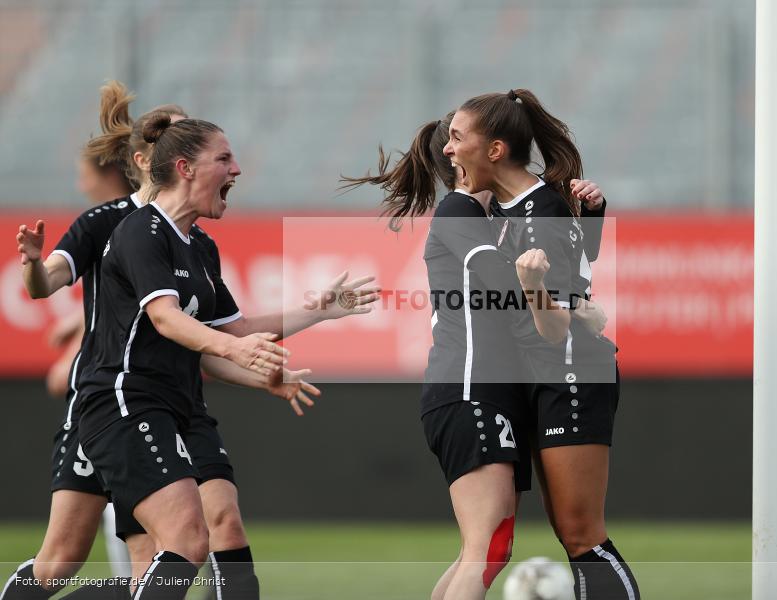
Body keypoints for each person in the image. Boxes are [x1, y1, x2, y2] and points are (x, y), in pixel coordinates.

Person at [3, 84, 355, 600]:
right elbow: (165, 320)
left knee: (204, 534)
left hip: (176, 402)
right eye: (224, 158)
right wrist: (34, 266)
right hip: (119, 400)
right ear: (169, 162)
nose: (236, 169)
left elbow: (231, 331)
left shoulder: (198, 244)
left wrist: (318, 313)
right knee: (74, 559)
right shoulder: (124, 226)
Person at [343, 114, 606, 600]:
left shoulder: (491, 219)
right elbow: (508, 284)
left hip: (486, 390)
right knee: (487, 550)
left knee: (482, 551)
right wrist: (573, 307)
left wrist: (588, 220)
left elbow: (557, 266)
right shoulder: (458, 211)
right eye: (456, 141)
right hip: (469, 388)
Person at [444, 88, 639, 600]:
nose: (448, 148)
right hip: (546, 371)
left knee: (582, 536)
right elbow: (580, 266)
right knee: (572, 535)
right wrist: (592, 215)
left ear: (495, 150)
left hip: (568, 368)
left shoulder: (538, 210)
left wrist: (565, 301)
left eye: (457, 137)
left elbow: (555, 322)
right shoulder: (520, 207)